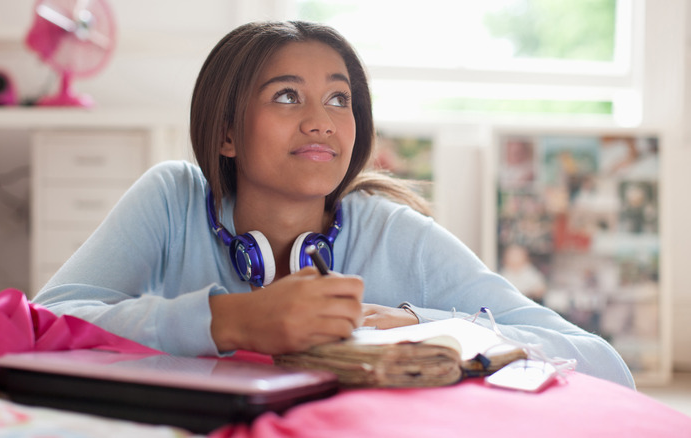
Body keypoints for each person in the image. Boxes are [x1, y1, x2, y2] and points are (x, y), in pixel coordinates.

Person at [32, 21, 635, 388]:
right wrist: (227, 322)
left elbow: (606, 366)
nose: (321, 122)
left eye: (340, 100)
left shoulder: (395, 234)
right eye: (288, 96)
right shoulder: (172, 199)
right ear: (227, 134)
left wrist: (424, 325)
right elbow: (43, 325)